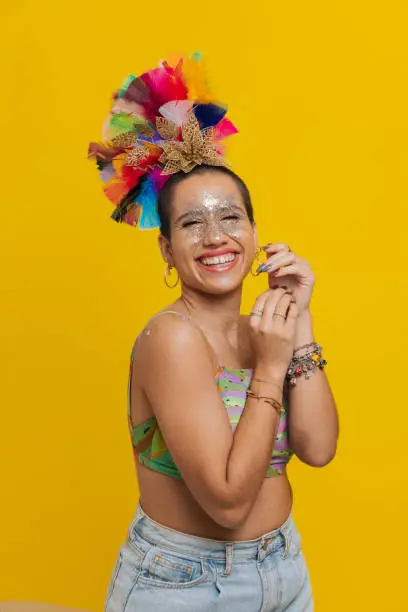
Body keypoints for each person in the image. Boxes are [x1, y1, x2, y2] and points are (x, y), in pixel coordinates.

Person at [89, 54, 339, 611]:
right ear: (167, 250)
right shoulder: (170, 339)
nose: (214, 235)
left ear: (253, 232)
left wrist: (299, 320)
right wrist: (272, 366)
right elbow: (227, 504)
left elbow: (319, 449)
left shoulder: (268, 330)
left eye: (230, 217)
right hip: (187, 585)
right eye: (190, 222)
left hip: (285, 569)